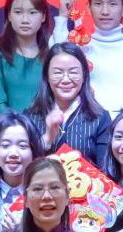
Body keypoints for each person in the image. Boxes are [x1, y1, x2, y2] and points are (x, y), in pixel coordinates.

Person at [31, 41, 111, 169]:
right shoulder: (30, 117)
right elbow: (23, 168)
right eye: (58, 73)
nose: (66, 79)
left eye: (73, 72)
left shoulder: (100, 118)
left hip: (86, 182)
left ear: (84, 75)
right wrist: (46, 139)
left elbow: (105, 169)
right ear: (47, 76)